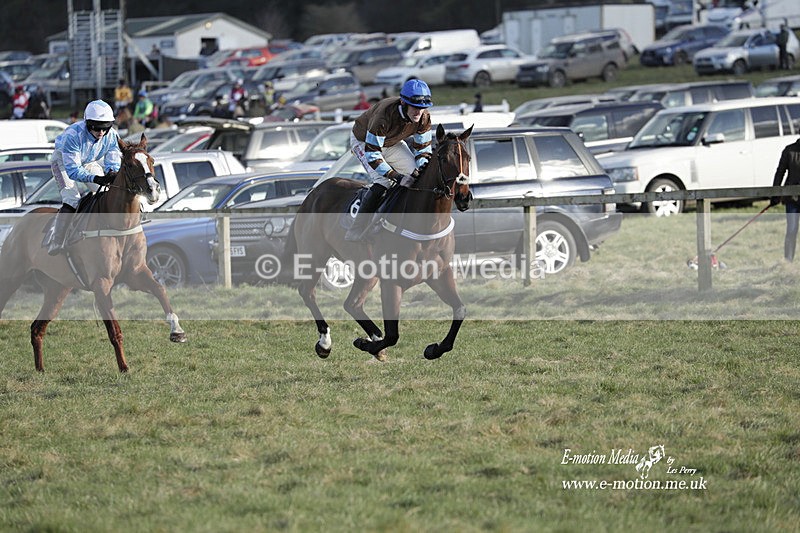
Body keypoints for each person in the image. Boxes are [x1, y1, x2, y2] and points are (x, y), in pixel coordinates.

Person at [345, 79, 433, 242]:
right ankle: (357, 227)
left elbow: (423, 150)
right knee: (383, 182)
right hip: (365, 141)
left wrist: (419, 170)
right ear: (403, 103)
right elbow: (373, 155)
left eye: (422, 108)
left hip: (391, 142)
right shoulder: (384, 116)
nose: (418, 113)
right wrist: (397, 177)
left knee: (415, 177)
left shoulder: (424, 118)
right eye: (414, 107)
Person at [47, 99, 122, 256]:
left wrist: (111, 173)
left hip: (88, 161)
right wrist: (96, 178)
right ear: (87, 123)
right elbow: (73, 171)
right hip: (63, 162)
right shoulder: (72, 136)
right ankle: (57, 239)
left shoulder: (112, 135)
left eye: (105, 127)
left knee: (107, 192)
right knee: (71, 199)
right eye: (96, 127)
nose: (101, 132)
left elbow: (113, 160)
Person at [771, 136, 800, 261]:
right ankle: (788, 261)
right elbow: (780, 172)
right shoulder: (789, 150)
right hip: (792, 199)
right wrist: (775, 194)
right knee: (791, 230)